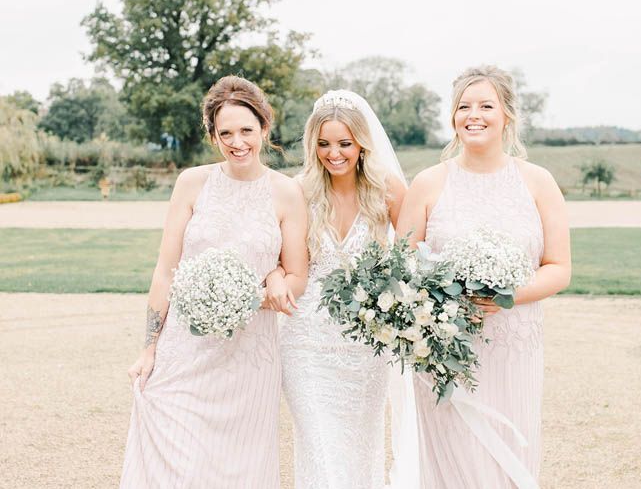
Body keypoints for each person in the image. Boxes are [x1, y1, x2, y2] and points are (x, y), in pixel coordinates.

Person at [120, 76, 308, 488]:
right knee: (179, 463)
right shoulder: (192, 182)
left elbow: (297, 276)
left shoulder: (286, 192)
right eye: (225, 133)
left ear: (264, 128)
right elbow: (165, 270)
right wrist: (149, 347)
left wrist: (270, 286)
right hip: (184, 349)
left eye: (246, 130)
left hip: (248, 358)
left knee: (235, 467)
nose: (237, 142)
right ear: (212, 136)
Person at [397, 65, 571, 489]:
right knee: (454, 463)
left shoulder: (537, 182)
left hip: (514, 346)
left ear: (507, 115)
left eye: (486, 105)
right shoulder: (428, 183)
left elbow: (560, 268)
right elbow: (399, 267)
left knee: (508, 459)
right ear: (453, 117)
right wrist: (442, 302)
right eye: (463, 107)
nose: (473, 115)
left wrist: (509, 295)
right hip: (444, 352)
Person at [279, 90, 419, 489]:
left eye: (344, 143)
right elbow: (276, 256)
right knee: (319, 447)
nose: (333, 153)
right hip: (306, 341)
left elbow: (412, 255)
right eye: (323, 143)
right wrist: (274, 277)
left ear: (361, 143)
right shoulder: (298, 190)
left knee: (361, 448)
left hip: (364, 344)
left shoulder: (387, 189)